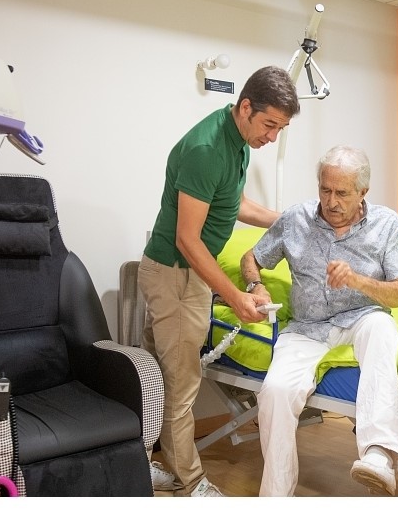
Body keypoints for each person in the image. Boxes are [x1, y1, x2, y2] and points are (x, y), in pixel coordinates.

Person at [138, 65, 300, 497]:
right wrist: (235, 296)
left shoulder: (237, 142)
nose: (272, 137)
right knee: (180, 384)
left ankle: (146, 464)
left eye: (280, 129)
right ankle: (190, 483)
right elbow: (188, 240)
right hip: (176, 273)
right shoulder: (207, 149)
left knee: (156, 379)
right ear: (245, 107)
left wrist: (287, 219)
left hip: (182, 271)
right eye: (269, 125)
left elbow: (234, 202)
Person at [240, 144, 398, 496]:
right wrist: (255, 285)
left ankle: (378, 456)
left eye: (342, 193)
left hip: (362, 317)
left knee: (383, 330)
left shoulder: (387, 224)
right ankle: (275, 497)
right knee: (275, 392)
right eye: (325, 190)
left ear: (363, 192)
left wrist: (357, 280)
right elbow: (251, 258)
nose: (331, 201)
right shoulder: (296, 219)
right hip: (307, 326)